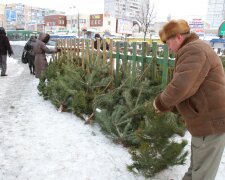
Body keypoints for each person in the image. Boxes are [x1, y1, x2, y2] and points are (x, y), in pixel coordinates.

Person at [153, 19, 225, 180]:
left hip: (210, 124)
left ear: (178, 37)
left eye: (168, 42)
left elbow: (181, 86)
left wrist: (160, 103)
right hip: (205, 123)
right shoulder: (194, 49)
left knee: (201, 175)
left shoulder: (194, 51)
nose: (168, 48)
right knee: (197, 170)